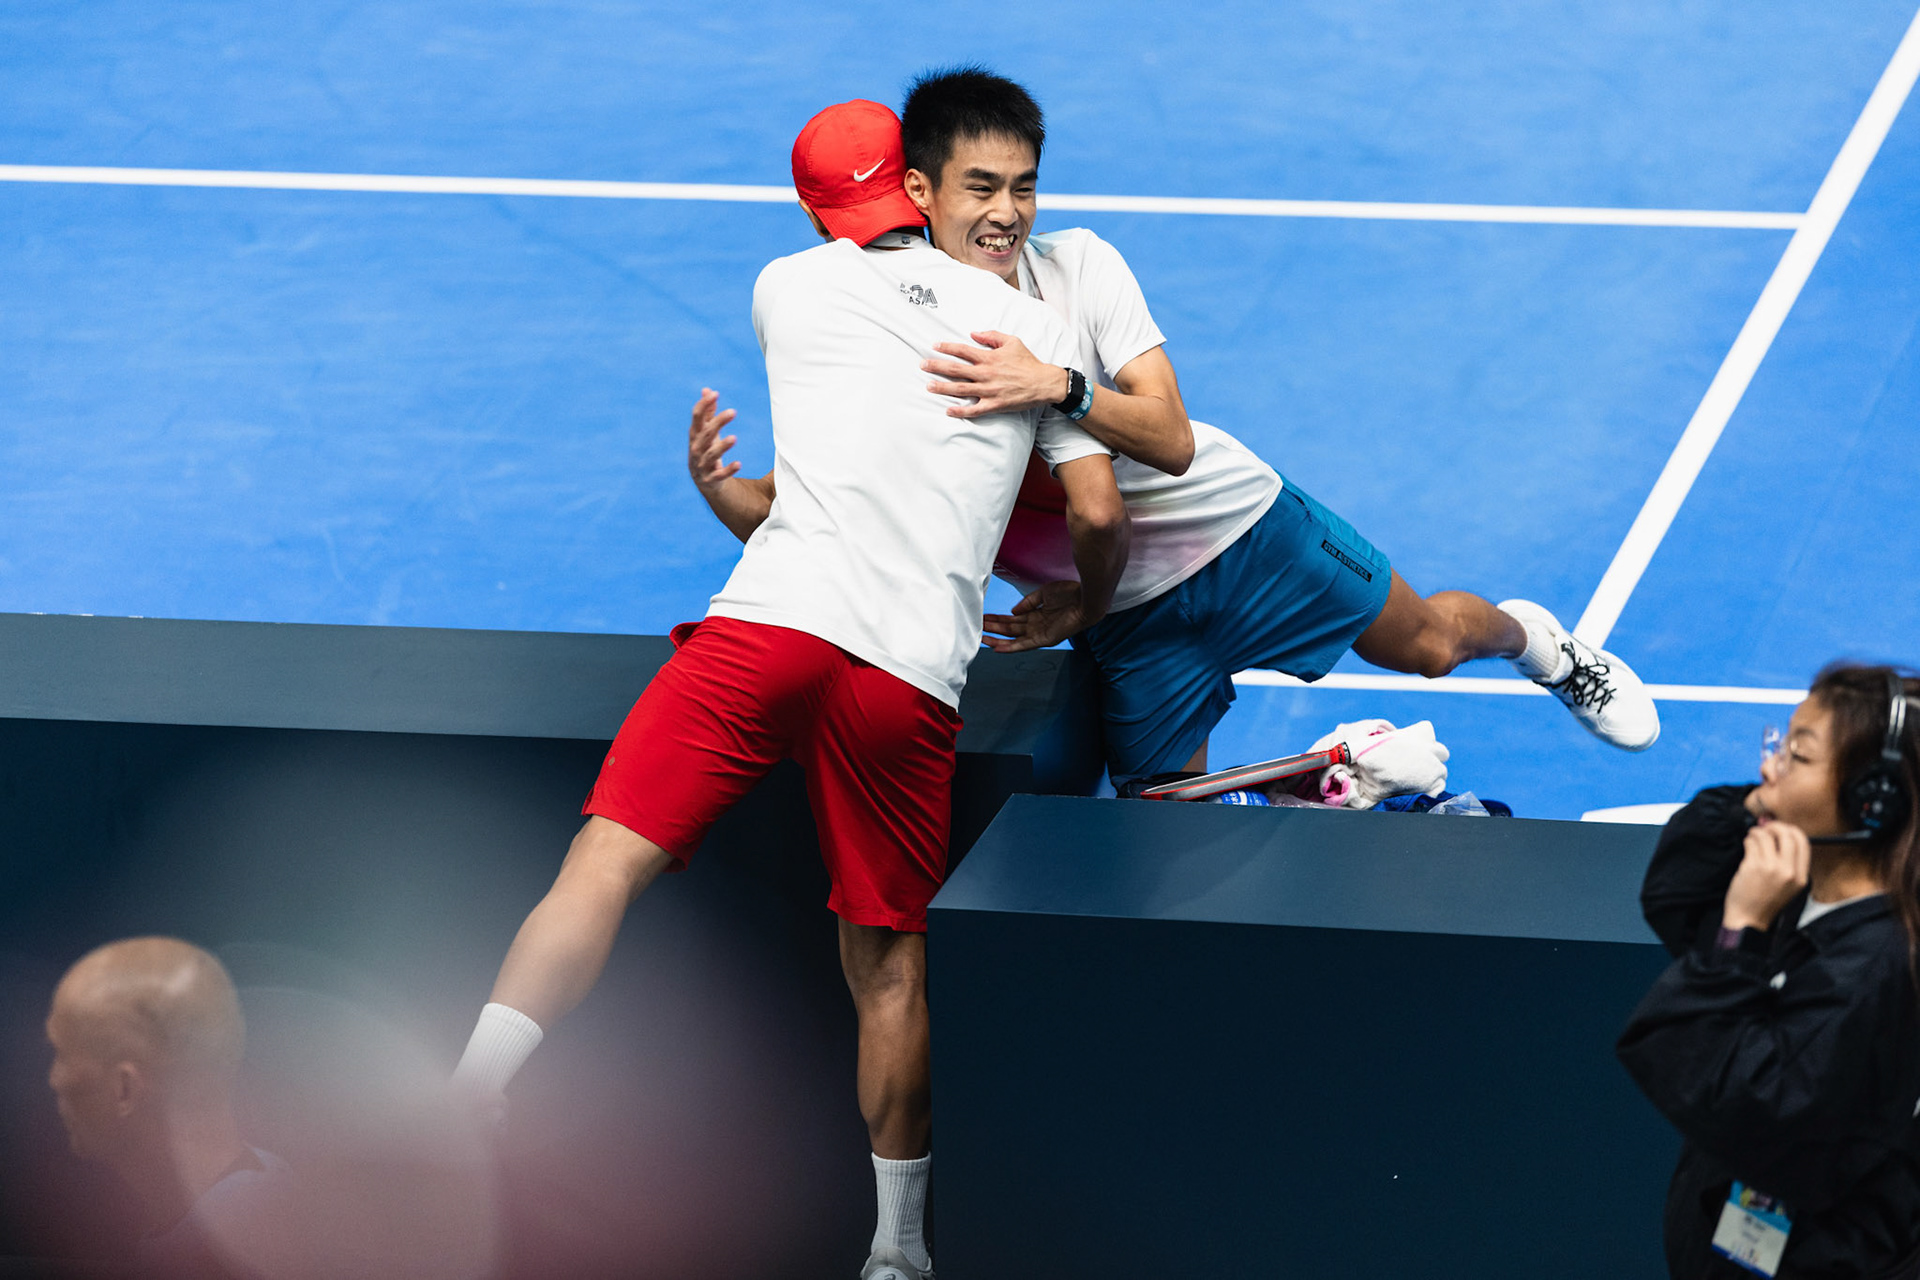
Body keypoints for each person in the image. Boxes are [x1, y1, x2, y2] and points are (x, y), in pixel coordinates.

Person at [454, 99, 1127, 1280]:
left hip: (765, 629)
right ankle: (897, 1254)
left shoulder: (787, 287)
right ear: (918, 191)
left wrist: (733, 498)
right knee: (888, 964)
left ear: (820, 209)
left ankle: (468, 1096)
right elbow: (1093, 502)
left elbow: (850, 446)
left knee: (602, 865)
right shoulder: (1025, 323)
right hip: (905, 675)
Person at [900, 67, 1661, 781]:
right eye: (982, 188)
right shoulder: (886, 338)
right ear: (921, 191)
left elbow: (1172, 439)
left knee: (1429, 645)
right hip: (1126, 613)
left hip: (1243, 528)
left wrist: (1062, 386)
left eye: (1024, 188)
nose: (1008, 214)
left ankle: (1544, 647)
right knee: (1169, 827)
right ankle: (1332, 781)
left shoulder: (1082, 265)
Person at [1617, 663, 1920, 1278]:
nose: (1768, 765)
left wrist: (1740, 929)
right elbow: (1673, 895)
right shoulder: (1809, 884)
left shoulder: (1874, 972)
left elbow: (1729, 1096)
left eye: (1798, 756)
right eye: (1778, 743)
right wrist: (1755, 808)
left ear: (1873, 800)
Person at [46, 937, 285, 1279]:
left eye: (64, 1054)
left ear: (124, 1090)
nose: (56, 1080)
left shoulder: (203, 1259)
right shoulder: (265, 1202)